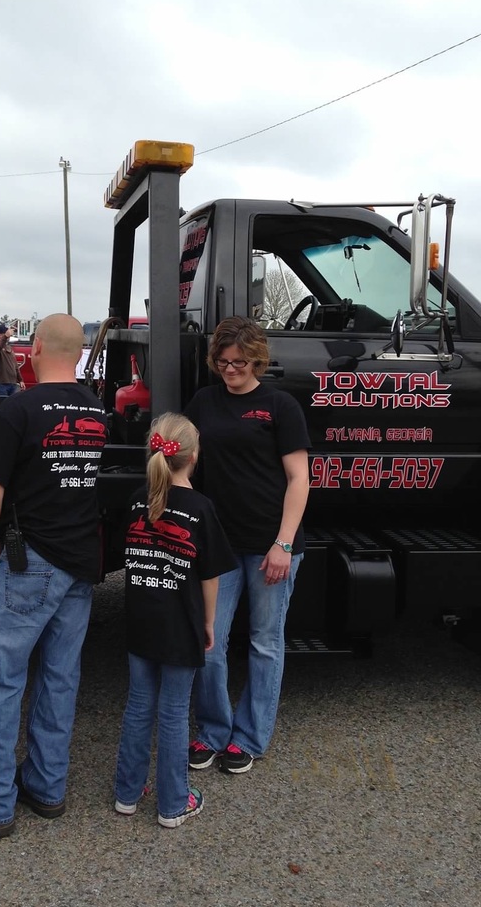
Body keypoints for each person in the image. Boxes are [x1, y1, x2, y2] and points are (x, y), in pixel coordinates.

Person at [0, 313, 107, 838]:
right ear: (78, 355)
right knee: (60, 678)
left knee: (0, 678)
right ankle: (46, 788)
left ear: (33, 354)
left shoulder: (20, 409)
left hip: (29, 562)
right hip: (81, 563)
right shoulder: (95, 410)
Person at [185, 316, 310, 775]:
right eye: (222, 362)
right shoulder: (203, 402)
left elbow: (300, 479)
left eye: (239, 362)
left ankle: (250, 738)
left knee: (264, 643)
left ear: (257, 358)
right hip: (218, 544)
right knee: (209, 642)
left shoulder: (279, 406)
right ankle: (213, 732)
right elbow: (183, 464)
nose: (231, 369)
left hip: (270, 546)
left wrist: (283, 544)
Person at [114, 414, 235, 828]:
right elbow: (209, 575)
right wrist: (209, 623)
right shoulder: (201, 509)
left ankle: (127, 794)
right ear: (194, 456)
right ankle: (173, 803)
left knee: (138, 705)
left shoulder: (135, 500)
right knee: (172, 711)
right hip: (180, 624)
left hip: (140, 619)